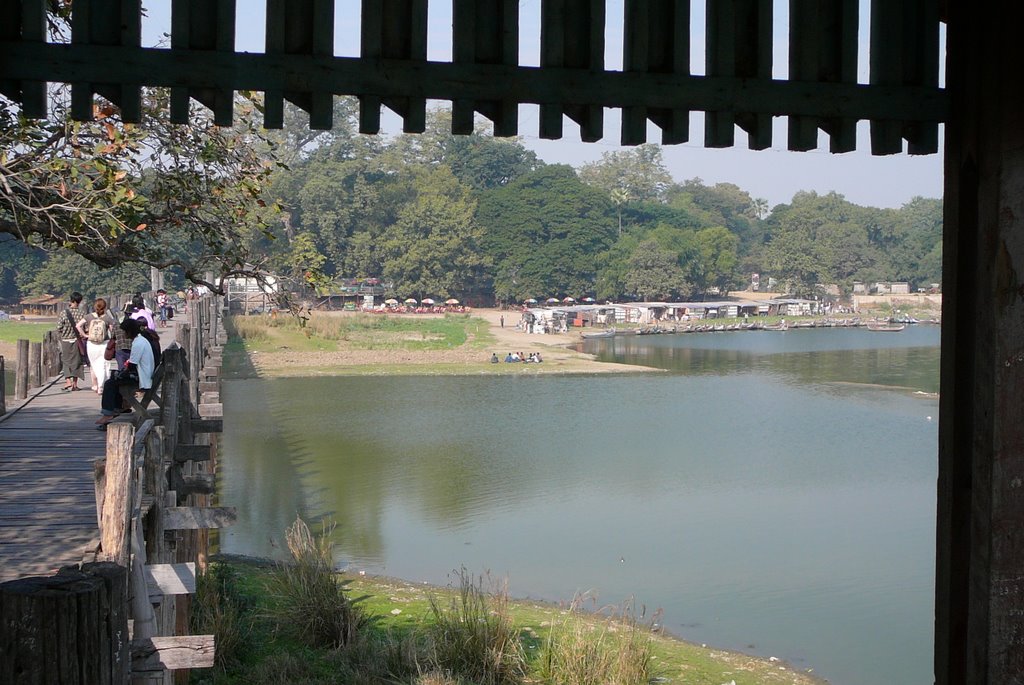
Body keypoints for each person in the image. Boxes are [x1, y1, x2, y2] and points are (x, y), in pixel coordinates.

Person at [96, 318, 156, 428]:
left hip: (142, 378)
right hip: (145, 374)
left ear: (129, 331)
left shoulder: (138, 343)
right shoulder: (141, 340)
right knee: (116, 380)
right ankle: (116, 409)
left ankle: (108, 413)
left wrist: (122, 373)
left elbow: (132, 365)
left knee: (110, 383)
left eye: (124, 331)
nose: (123, 334)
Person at [76, 298, 117, 394]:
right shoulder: (107, 318)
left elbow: (78, 326)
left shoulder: (89, 316)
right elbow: (112, 332)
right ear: (105, 307)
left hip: (91, 344)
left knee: (94, 365)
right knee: (104, 365)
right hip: (103, 344)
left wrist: (85, 335)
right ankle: (102, 386)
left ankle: (95, 385)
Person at [57, 291, 86, 391]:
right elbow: (85, 328)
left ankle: (68, 381)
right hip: (77, 341)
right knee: (77, 362)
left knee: (66, 360)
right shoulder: (82, 313)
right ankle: (74, 384)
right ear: (79, 301)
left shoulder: (64, 313)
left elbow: (59, 327)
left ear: (71, 300)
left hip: (65, 340)